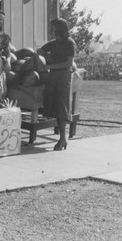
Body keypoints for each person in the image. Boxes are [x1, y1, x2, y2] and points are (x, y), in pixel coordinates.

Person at [37, 18, 76, 151]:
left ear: (59, 29)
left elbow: (68, 64)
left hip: (63, 76)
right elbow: (40, 51)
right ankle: (61, 138)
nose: (52, 31)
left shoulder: (69, 43)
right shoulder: (54, 43)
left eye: (53, 28)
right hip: (53, 76)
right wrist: (43, 58)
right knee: (54, 105)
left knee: (62, 106)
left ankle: (63, 139)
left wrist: (49, 64)